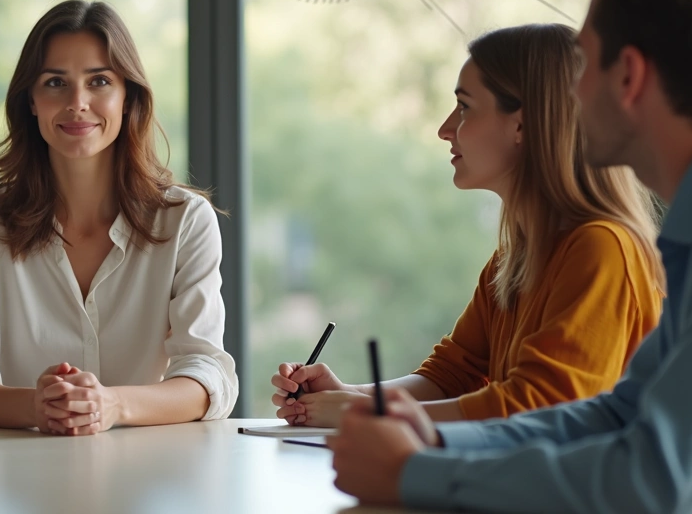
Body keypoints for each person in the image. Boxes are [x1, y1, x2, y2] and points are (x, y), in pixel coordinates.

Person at [326, 0, 692, 512]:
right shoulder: (685, 244)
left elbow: (653, 480)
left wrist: (419, 471)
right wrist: (430, 439)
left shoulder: (613, 246)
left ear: (627, 75)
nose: (570, 96)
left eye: (586, 64)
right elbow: (616, 413)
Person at [271, 23, 665, 428]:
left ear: (521, 125)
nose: (444, 129)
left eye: (464, 107)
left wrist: (369, 412)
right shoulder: (516, 258)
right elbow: (451, 378)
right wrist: (347, 395)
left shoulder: (602, 249)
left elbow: (541, 408)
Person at [0, 0, 238, 434]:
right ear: (31, 102)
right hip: (13, 480)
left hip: (153, 480)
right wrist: (38, 408)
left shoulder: (186, 221)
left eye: (99, 81)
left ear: (127, 97)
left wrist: (110, 405)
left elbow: (207, 376)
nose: (77, 102)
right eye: (55, 82)